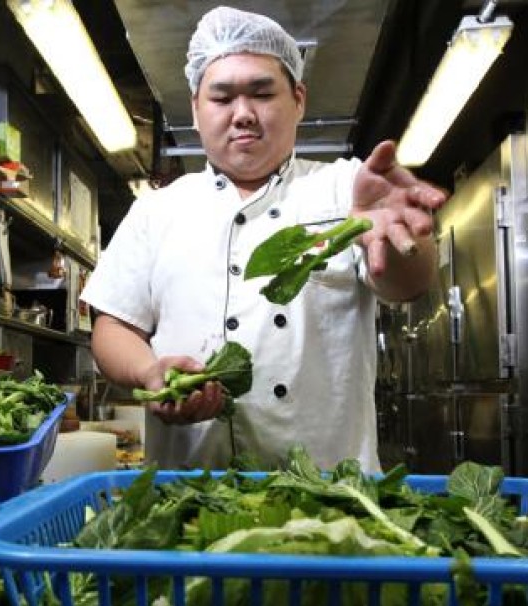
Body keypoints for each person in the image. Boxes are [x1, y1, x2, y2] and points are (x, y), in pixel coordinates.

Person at [80, 5, 447, 472]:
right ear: (195, 109)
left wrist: (400, 243)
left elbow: (407, 283)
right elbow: (114, 327)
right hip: (189, 492)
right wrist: (150, 373)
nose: (243, 114)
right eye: (222, 98)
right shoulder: (159, 209)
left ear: (298, 99)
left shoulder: (344, 189)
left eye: (261, 93)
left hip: (329, 498)